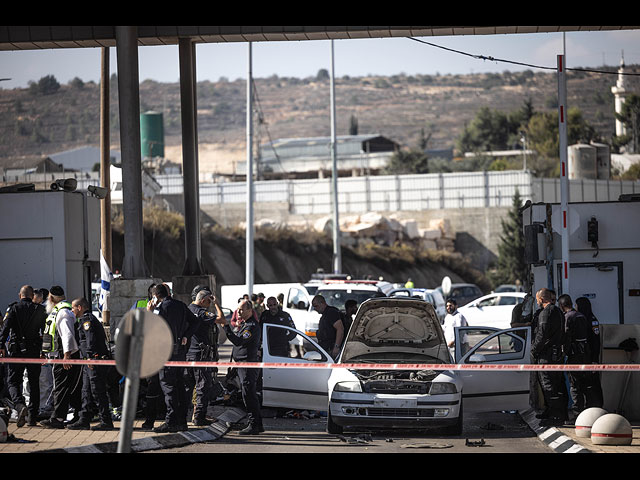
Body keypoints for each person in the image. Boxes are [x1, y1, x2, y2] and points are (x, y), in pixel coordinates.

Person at [151, 284, 198, 433]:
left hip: (166, 354)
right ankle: (182, 422)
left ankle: (171, 422)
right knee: (179, 387)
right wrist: (186, 336)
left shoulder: (160, 309)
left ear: (156, 296)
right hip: (180, 353)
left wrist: (149, 312)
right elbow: (196, 322)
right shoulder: (181, 305)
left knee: (169, 388)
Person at [0, 285, 47, 427]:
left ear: (20, 295)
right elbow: (45, 332)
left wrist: (1, 346)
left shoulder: (14, 308)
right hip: (34, 351)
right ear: (32, 296)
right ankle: (32, 417)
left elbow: (5, 328)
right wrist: (43, 351)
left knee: (13, 381)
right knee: (34, 384)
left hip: (16, 351)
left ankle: (20, 406)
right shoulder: (40, 309)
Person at [216, 299, 263, 435]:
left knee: (248, 394)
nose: (239, 312)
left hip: (247, 364)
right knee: (248, 393)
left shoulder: (251, 326)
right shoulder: (245, 324)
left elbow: (238, 341)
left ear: (250, 311)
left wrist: (226, 327)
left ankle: (253, 424)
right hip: (242, 363)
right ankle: (257, 424)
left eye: (242, 309)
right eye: (238, 309)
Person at [66, 298, 114, 431]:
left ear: (80, 307)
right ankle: (84, 419)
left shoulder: (87, 320)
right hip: (88, 361)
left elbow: (90, 340)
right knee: (86, 391)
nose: (72, 311)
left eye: (73, 308)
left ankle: (106, 421)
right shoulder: (84, 320)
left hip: (93, 361)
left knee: (97, 391)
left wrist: (91, 357)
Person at [40, 286, 83, 429]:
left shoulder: (63, 312)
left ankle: (57, 418)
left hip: (65, 356)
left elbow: (67, 335)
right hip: (62, 355)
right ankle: (75, 416)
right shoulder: (61, 311)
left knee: (61, 387)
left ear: (51, 298)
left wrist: (66, 356)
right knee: (68, 387)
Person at [186, 285, 223, 426]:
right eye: (208, 301)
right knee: (203, 386)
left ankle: (189, 415)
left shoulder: (187, 309)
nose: (209, 304)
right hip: (201, 355)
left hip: (189, 354)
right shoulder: (201, 312)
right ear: (202, 300)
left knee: (189, 387)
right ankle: (199, 417)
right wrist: (217, 304)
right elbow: (222, 319)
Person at [531, 288, 567, 426]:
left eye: (537, 300)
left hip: (547, 355)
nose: (537, 302)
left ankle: (555, 416)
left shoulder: (546, 313)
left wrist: (534, 350)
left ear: (541, 299)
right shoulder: (558, 311)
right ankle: (559, 414)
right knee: (557, 385)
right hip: (556, 353)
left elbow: (542, 335)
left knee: (549, 386)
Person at [557, 294, 591, 423]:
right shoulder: (581, 315)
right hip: (585, 355)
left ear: (561, 306)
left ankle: (578, 415)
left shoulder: (567, 317)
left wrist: (563, 352)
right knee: (585, 385)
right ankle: (588, 414)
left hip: (574, 355)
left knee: (575, 385)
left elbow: (566, 337)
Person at [575, 296, 604, 408]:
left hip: (591, 358)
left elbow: (595, 342)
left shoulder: (592, 320)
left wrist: (594, 360)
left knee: (593, 384)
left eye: (577, 305)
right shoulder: (583, 319)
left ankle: (596, 406)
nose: (575, 307)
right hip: (585, 357)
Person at [312, 295, 344, 360]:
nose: (315, 309)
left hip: (331, 349)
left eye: (316, 306)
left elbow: (340, 329)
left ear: (322, 303)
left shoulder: (331, 312)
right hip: (325, 349)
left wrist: (336, 347)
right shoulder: (325, 314)